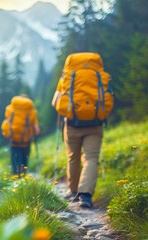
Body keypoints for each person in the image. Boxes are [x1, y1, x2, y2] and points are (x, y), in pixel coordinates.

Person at [51, 52, 113, 208]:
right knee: (91, 158)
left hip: (72, 124)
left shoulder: (66, 78)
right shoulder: (99, 76)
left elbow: (55, 103)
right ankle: (85, 196)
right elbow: (107, 97)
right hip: (95, 124)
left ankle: (73, 192)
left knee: (73, 157)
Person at [2, 94, 40, 175]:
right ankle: (23, 177)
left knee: (15, 162)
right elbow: (36, 130)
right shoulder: (30, 111)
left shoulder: (11, 109)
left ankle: (16, 179)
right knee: (24, 161)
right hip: (26, 141)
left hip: (13, 140)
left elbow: (7, 122)